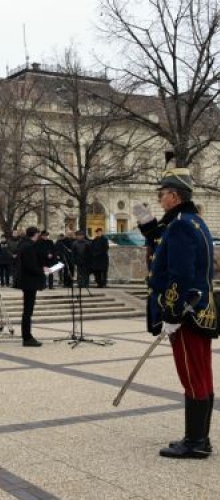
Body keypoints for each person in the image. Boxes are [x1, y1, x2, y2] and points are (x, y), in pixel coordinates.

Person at [134, 157, 217, 459]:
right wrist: (148, 229)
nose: (159, 198)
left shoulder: (181, 227)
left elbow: (182, 276)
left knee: (193, 375)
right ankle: (198, 437)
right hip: (199, 312)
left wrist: (172, 313)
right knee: (200, 373)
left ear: (175, 196)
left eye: (162, 193)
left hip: (186, 315)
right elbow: (167, 244)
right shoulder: (189, 221)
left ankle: (196, 442)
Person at [16, 226, 46, 347]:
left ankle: (27, 336)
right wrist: (43, 271)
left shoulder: (24, 244)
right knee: (28, 311)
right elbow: (31, 265)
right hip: (29, 282)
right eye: (38, 234)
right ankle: (27, 337)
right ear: (36, 234)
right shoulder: (28, 246)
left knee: (27, 310)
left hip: (27, 281)